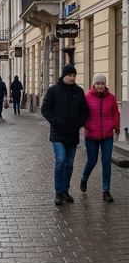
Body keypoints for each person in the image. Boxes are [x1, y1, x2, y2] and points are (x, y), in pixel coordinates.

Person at [42, 65, 90, 206]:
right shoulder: (53, 90)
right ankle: (58, 191)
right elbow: (45, 109)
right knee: (61, 160)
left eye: (74, 76)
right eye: (69, 75)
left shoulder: (79, 91)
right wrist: (55, 122)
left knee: (69, 163)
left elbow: (85, 110)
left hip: (72, 133)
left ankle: (65, 190)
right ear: (63, 76)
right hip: (58, 132)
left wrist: (79, 123)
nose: (72, 78)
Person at [81, 73, 119, 202]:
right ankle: (84, 178)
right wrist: (87, 125)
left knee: (106, 162)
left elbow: (116, 113)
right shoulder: (87, 97)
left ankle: (106, 190)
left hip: (107, 135)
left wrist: (114, 124)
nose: (100, 86)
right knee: (92, 161)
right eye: (97, 83)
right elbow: (82, 114)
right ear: (94, 84)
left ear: (105, 85)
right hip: (91, 135)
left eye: (102, 83)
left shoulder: (111, 97)